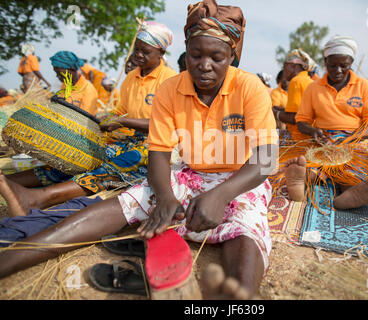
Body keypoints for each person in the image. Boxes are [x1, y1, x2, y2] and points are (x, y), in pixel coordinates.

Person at [0, 0, 278, 300]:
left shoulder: (249, 87)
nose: (204, 65)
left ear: (232, 55)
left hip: (240, 179)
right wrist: (167, 197)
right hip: (189, 174)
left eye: (217, 58)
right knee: (128, 201)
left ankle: (238, 295)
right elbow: (158, 154)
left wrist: (221, 194)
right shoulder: (171, 89)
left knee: (248, 225)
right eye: (196, 55)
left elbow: (264, 160)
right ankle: (12, 258)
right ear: (186, 48)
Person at [0, 22, 177, 217]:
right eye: (137, 49)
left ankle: (40, 198)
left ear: (161, 53)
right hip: (127, 138)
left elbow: (163, 126)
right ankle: (9, 183)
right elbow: (122, 110)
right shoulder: (132, 78)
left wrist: (122, 122)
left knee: (114, 166)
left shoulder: (170, 80)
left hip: (157, 146)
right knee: (81, 156)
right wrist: (106, 118)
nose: (138, 55)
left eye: (146, 52)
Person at [285, 36, 368, 209]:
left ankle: (351, 191)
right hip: (324, 139)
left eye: (343, 66)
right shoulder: (313, 88)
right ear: (325, 62)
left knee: (348, 163)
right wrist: (313, 131)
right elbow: (301, 121)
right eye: (332, 65)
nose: (337, 70)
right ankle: (304, 179)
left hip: (355, 139)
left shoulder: (363, 86)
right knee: (323, 159)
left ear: (351, 63)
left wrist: (352, 138)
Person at [273, 48, 314, 140]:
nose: (283, 71)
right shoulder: (309, 81)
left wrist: (275, 113)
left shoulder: (296, 81)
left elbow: (294, 118)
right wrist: (283, 110)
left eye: (284, 66)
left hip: (298, 139)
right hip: (309, 137)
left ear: (294, 66)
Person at [50, 51, 99, 115]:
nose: (57, 76)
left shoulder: (88, 90)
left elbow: (85, 119)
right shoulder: (65, 84)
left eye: (60, 73)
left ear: (72, 69)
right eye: (56, 73)